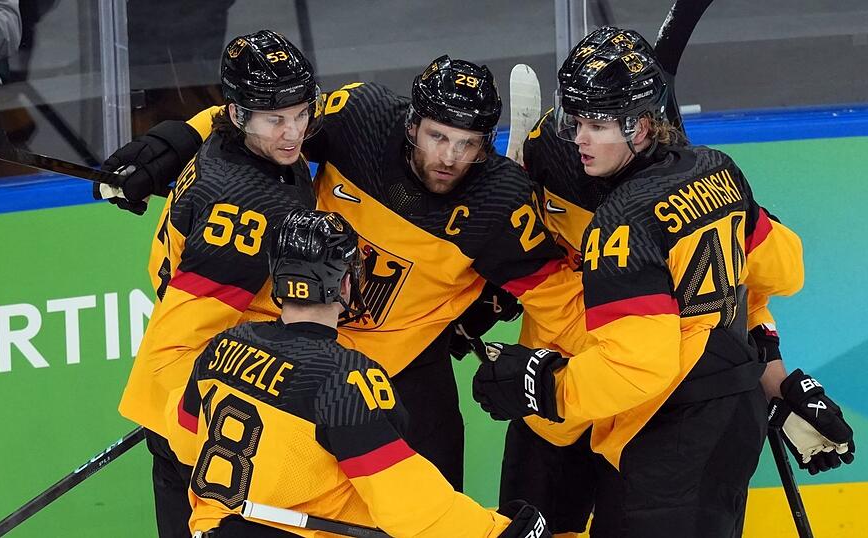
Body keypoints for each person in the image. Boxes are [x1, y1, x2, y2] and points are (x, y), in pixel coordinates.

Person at [100, 55, 591, 492]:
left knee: (429, 510)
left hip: (407, 364)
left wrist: (557, 374)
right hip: (309, 348)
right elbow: (269, 116)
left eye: (468, 144)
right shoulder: (361, 118)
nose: (449, 158)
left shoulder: (499, 203)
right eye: (437, 136)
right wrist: (184, 135)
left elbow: (559, 299)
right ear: (411, 123)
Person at [472, 41, 854, 537]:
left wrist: (542, 386)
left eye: (599, 124)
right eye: (576, 121)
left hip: (659, 421)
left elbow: (637, 366)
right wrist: (773, 375)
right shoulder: (716, 171)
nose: (581, 139)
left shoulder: (621, 222)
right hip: (685, 414)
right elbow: (780, 273)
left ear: (643, 126)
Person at [171, 207, 551, 538]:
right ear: (347, 282)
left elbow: (185, 443)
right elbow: (406, 506)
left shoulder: (223, 344)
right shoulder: (345, 379)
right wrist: (496, 532)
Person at [116, 30, 322, 537]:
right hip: (198, 403)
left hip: (203, 382)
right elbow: (182, 338)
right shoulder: (245, 208)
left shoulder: (230, 137)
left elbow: (212, 119)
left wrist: (175, 135)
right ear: (238, 114)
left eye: (300, 114)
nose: (293, 133)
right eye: (276, 120)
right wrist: (187, 427)